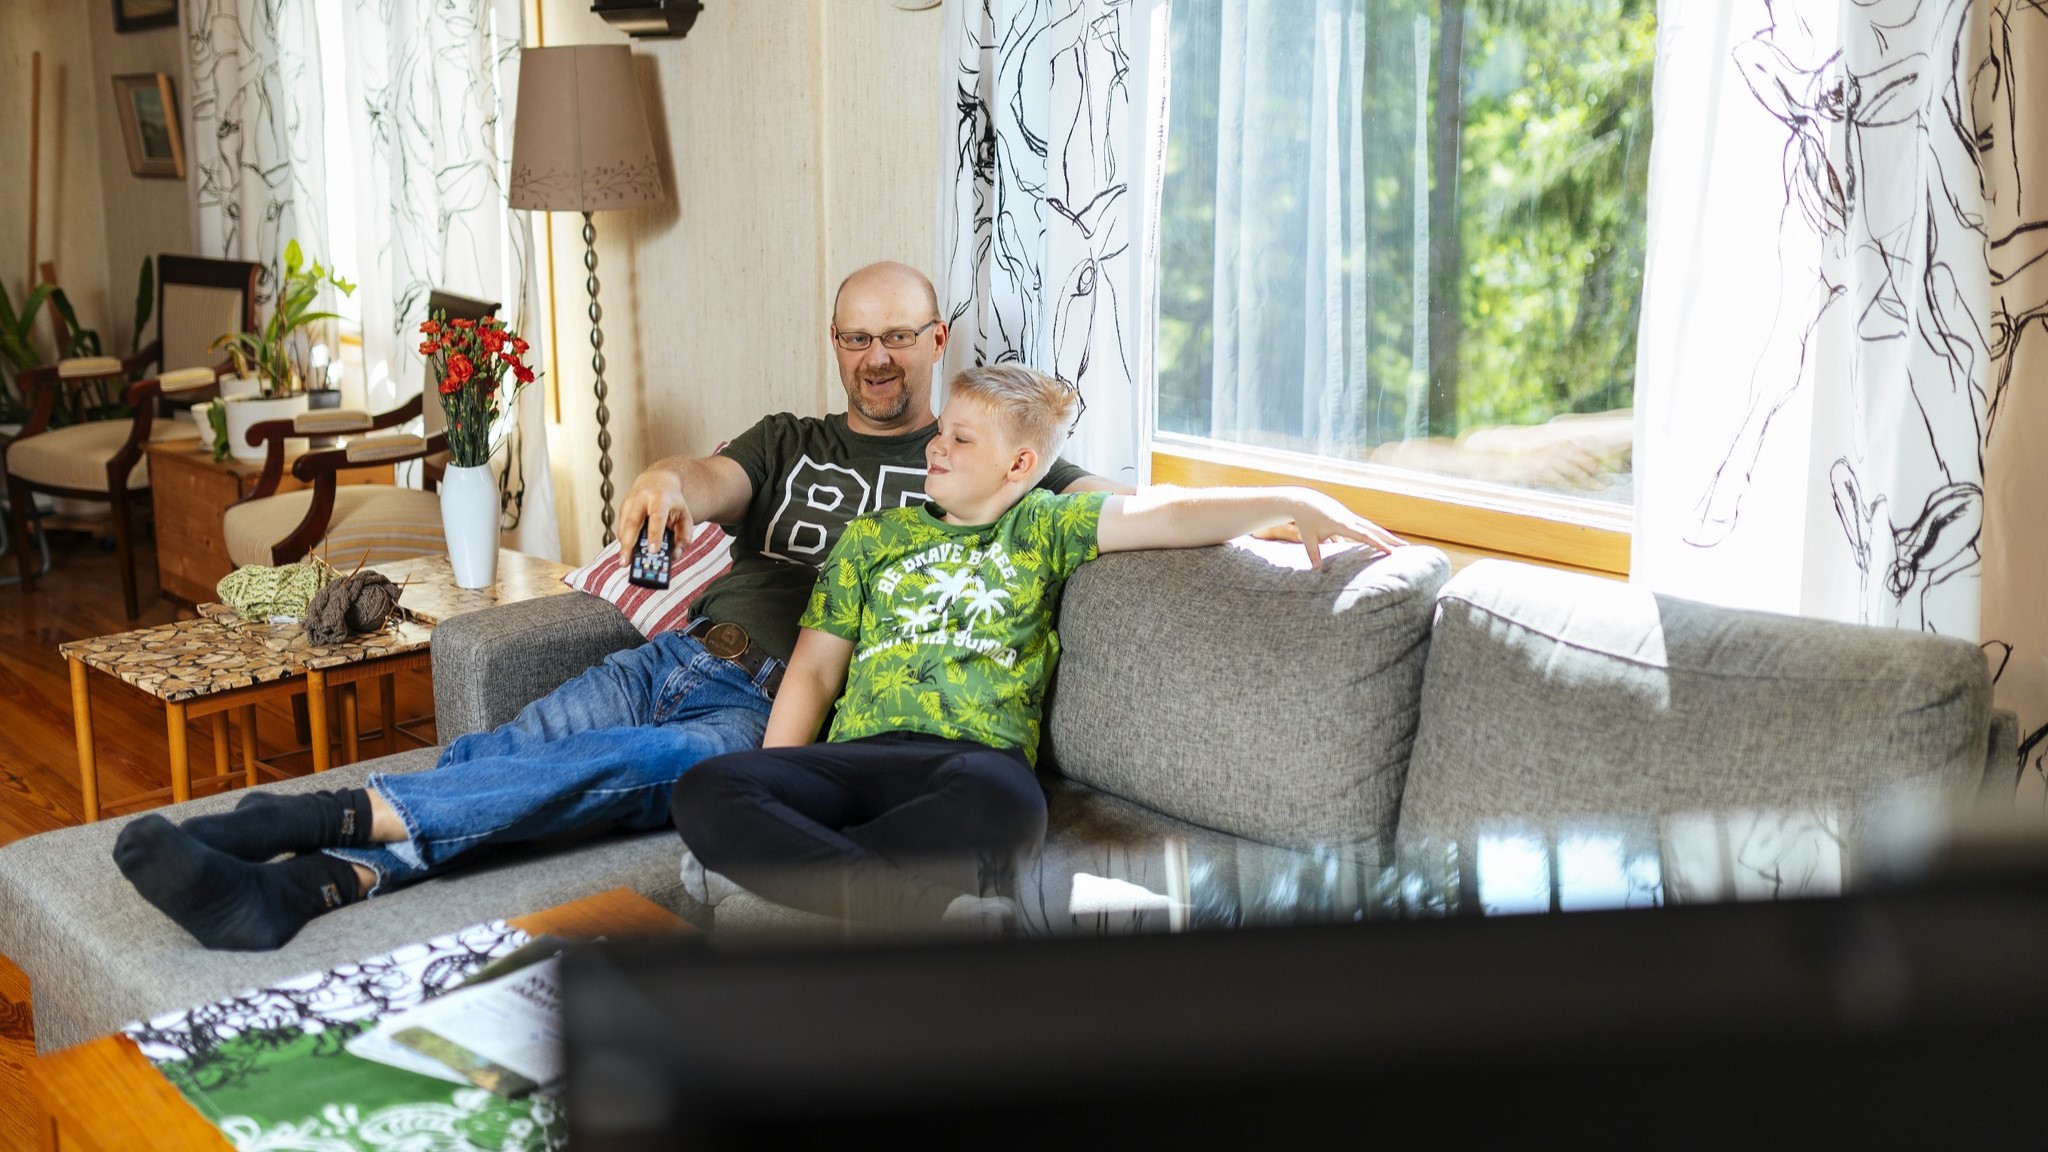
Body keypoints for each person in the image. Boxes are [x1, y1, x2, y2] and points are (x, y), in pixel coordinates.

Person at [112, 261, 1125, 952]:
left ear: (934, 338)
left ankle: (296, 828)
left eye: (896, 337)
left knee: (589, 769)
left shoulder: (978, 459)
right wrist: (666, 480)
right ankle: (306, 887)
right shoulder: (789, 437)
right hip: (674, 653)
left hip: (766, 707)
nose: (874, 358)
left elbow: (1094, 503)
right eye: (854, 337)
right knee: (506, 764)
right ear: (833, 344)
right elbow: (707, 474)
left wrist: (1222, 515)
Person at [670, 364, 1404, 926]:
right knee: (708, 790)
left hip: (971, 765)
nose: (937, 445)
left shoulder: (1045, 527)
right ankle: (914, 910)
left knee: (1006, 809)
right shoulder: (873, 538)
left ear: (1019, 466)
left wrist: (1288, 500)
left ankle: (798, 876)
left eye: (962, 438)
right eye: (942, 430)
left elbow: (1166, 514)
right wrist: (778, 785)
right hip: (860, 754)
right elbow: (814, 673)